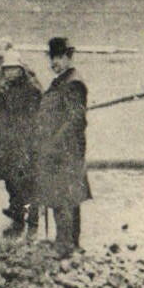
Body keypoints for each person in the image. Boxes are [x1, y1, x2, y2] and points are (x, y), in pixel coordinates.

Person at [35, 36, 90, 256]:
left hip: (66, 152)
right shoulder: (62, 80)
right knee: (69, 197)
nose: (54, 62)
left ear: (69, 57)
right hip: (61, 150)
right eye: (52, 58)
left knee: (62, 198)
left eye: (59, 57)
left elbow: (75, 121)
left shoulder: (73, 84)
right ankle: (71, 244)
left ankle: (64, 246)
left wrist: (53, 144)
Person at [0, 39, 43, 236]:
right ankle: (18, 218)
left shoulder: (32, 89)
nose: (9, 73)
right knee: (12, 182)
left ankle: (33, 219)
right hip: (10, 143)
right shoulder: (4, 88)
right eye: (7, 69)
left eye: (13, 69)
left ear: (21, 70)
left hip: (27, 143)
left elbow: (37, 116)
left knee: (29, 181)